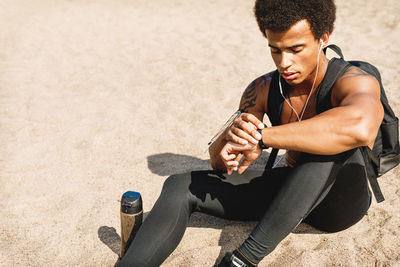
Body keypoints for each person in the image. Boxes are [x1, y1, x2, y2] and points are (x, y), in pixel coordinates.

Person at [116, 0, 384, 266]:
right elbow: (220, 164)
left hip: (338, 206)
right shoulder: (263, 88)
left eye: (295, 49)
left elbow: (359, 127)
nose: (285, 63)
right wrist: (235, 139)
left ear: (323, 38)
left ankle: (243, 260)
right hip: (288, 199)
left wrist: (264, 137)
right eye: (275, 50)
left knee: (330, 148)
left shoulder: (354, 80)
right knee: (179, 185)